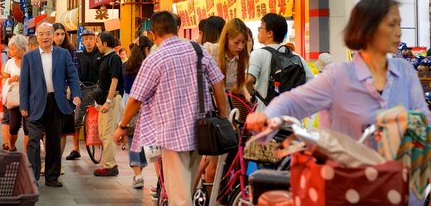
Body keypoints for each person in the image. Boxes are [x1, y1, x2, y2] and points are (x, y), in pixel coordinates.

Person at [245, 0, 431, 204]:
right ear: (366, 30)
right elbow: (293, 101)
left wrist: (399, 125)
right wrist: (266, 116)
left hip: (398, 189)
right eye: (391, 24)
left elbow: (424, 120)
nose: (398, 32)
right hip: (346, 188)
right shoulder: (339, 76)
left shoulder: (405, 72)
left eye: (399, 24)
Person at [113, 11, 227, 206]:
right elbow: (218, 85)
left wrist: (122, 126)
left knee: (179, 197)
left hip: (172, 134)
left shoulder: (155, 59)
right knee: (186, 189)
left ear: (153, 34)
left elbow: (135, 99)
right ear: (177, 29)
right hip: (202, 129)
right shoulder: (197, 50)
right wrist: (223, 118)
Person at [20, 22, 82, 187]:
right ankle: (32, 177)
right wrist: (23, 105)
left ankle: (52, 176)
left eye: (48, 33)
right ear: (37, 37)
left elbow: (72, 75)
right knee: (33, 140)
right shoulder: (29, 57)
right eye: (41, 34)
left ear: (53, 35)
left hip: (57, 102)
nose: (45, 37)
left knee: (54, 140)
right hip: (35, 103)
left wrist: (76, 94)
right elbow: (24, 83)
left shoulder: (63, 54)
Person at [200, 18, 252, 185]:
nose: (240, 47)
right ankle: (193, 196)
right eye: (237, 42)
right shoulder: (210, 50)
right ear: (226, 38)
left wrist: (245, 91)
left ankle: (210, 195)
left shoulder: (240, 59)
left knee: (215, 162)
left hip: (224, 115)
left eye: (244, 42)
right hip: (207, 113)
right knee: (209, 162)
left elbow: (233, 86)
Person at [245, 13, 314, 111]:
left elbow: (248, 80)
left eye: (260, 28)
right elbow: (312, 83)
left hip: (266, 116)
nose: (259, 31)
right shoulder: (295, 57)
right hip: (292, 116)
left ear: (270, 33)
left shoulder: (258, 54)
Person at [122, 35, 152, 189]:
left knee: (133, 140)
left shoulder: (127, 66)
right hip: (148, 105)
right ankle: (146, 170)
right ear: (147, 49)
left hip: (130, 104)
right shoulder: (150, 66)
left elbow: (125, 88)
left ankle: (137, 174)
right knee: (148, 141)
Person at [93, 31, 124, 177]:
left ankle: (110, 165)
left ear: (105, 43)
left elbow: (115, 80)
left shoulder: (114, 58)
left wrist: (108, 101)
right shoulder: (104, 58)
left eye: (98, 41)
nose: (96, 44)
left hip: (111, 100)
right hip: (104, 100)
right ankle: (108, 162)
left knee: (107, 133)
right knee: (102, 132)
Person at [68, 28, 100, 161]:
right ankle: (76, 148)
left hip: (98, 89)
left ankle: (100, 142)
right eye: (86, 39)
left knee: (100, 118)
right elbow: (74, 71)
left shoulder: (100, 53)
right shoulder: (78, 54)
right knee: (77, 119)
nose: (88, 42)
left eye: (91, 39)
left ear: (95, 40)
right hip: (83, 89)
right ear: (82, 40)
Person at [52, 23, 79, 158]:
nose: (60, 37)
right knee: (47, 130)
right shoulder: (46, 49)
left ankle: (58, 161)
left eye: (62, 34)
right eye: (57, 34)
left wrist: (72, 91)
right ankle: (51, 160)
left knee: (62, 130)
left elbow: (73, 72)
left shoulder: (70, 50)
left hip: (65, 95)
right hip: (49, 94)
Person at [1, 34, 28, 152]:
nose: (11, 51)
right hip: (13, 97)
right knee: (13, 127)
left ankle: (28, 154)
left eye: (13, 49)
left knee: (28, 129)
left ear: (23, 49)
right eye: (10, 48)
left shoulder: (30, 60)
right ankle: (12, 146)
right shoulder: (10, 63)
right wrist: (10, 79)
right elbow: (3, 79)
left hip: (28, 96)